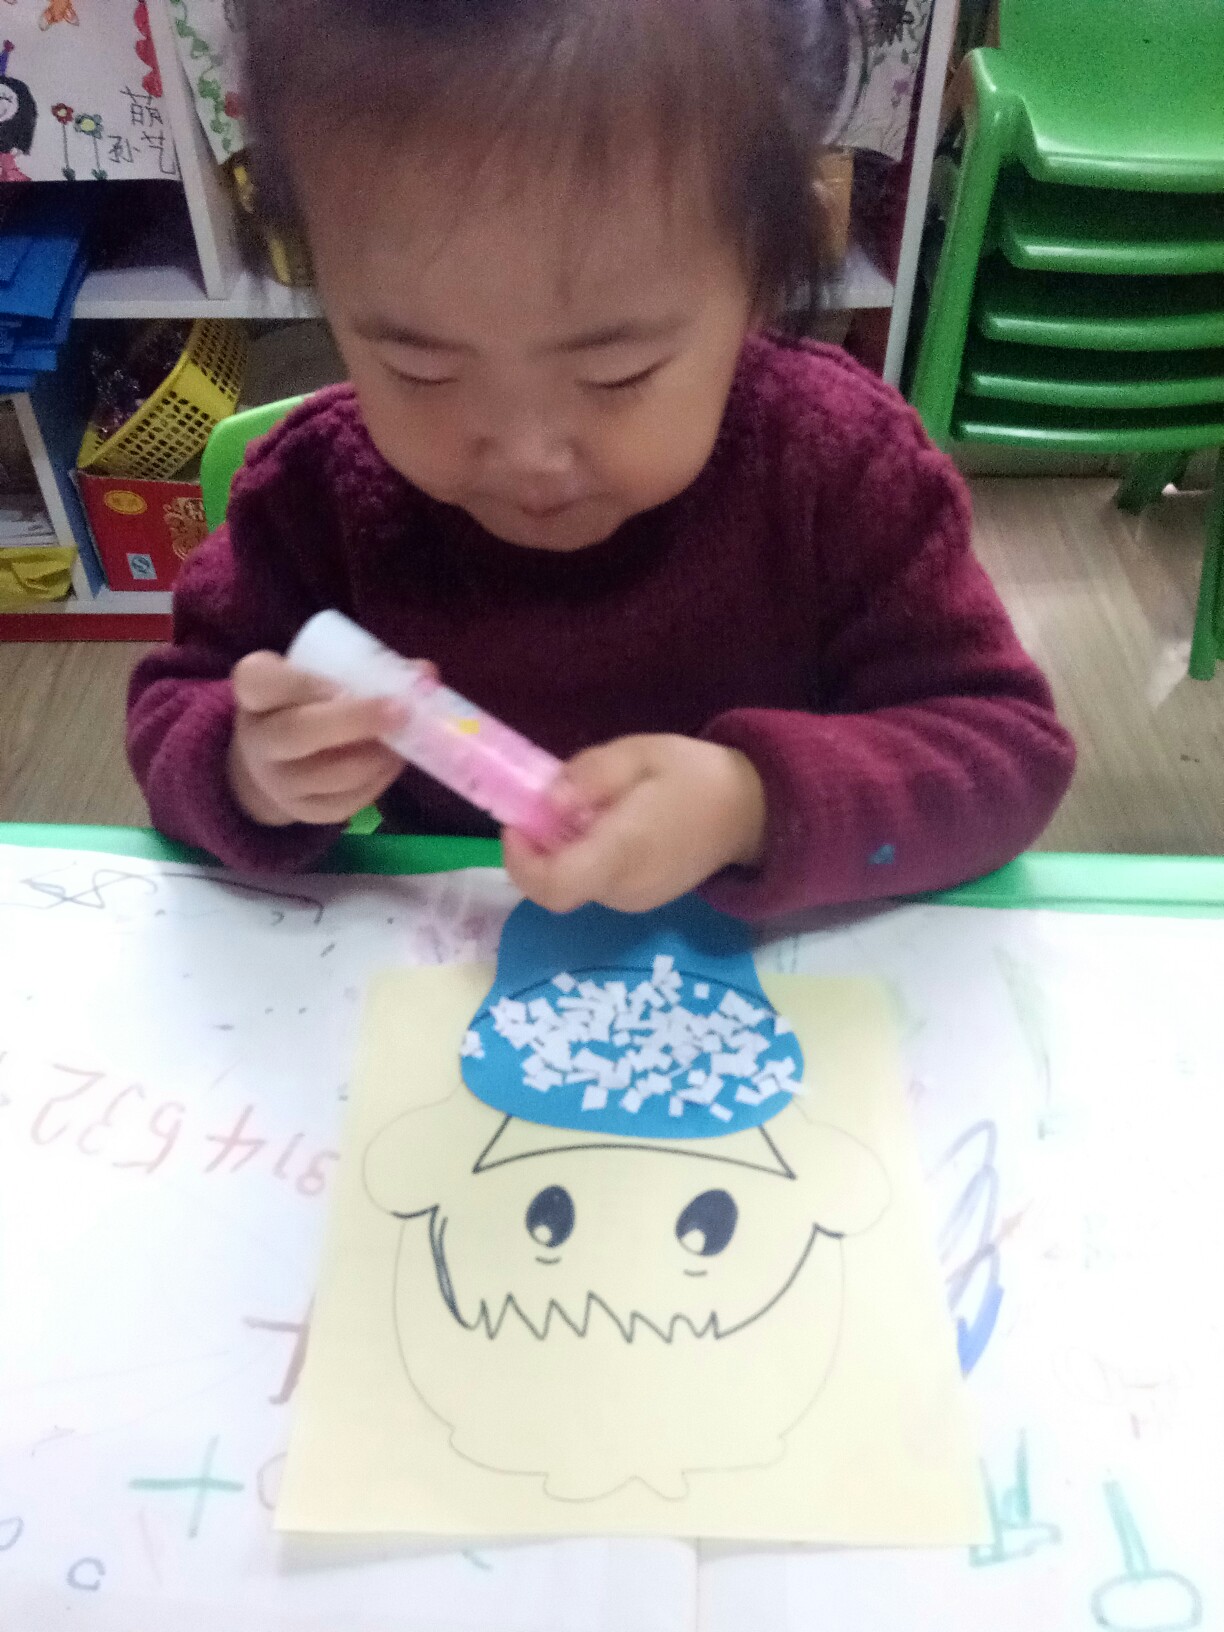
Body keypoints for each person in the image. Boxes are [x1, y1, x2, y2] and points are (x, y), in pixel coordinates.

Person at [127, 0, 1074, 921]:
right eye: (420, 370)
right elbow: (175, 711)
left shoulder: (840, 473)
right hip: (458, 961)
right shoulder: (314, 503)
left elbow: (1007, 753)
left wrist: (750, 804)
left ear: (762, 275)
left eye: (616, 374)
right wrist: (248, 769)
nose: (529, 455)